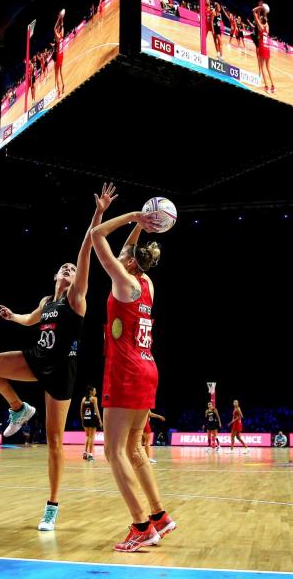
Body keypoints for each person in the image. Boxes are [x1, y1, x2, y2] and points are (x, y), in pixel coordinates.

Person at [0, 183, 117, 531]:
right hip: (37, 357)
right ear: (55, 276)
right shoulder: (46, 302)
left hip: (62, 371)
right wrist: (13, 317)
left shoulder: (76, 299)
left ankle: (52, 506)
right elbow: (31, 319)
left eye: (72, 269)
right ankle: (18, 408)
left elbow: (84, 252)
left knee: (54, 443)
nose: (69, 269)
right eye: (63, 268)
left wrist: (98, 214)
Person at [90, 206, 175, 552]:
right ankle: (160, 516)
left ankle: (141, 526)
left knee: (113, 451)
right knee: (135, 448)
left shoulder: (123, 282)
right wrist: (140, 227)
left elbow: (95, 236)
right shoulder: (147, 283)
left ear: (128, 261)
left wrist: (129, 217)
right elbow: (127, 252)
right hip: (147, 367)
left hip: (125, 371)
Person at [251, 1, 275, 92]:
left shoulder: (260, 27)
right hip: (267, 48)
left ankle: (266, 87)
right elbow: (266, 19)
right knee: (268, 68)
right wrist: (264, 11)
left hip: (262, 48)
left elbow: (253, 11)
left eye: (260, 19)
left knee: (262, 68)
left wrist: (260, 7)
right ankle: (273, 86)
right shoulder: (267, 27)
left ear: (261, 20)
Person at [81, 385, 103, 461]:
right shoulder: (94, 398)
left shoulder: (83, 399)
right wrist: (100, 420)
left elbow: (81, 411)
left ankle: (84, 453)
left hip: (85, 419)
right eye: (94, 390)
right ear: (91, 391)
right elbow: (96, 410)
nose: (95, 392)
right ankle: (90, 455)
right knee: (92, 437)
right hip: (93, 419)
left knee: (87, 436)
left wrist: (82, 419)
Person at [53, 9, 66, 96]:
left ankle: (59, 92)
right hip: (62, 54)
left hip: (58, 56)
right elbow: (62, 26)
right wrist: (61, 19)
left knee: (56, 74)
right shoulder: (61, 34)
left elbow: (54, 28)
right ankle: (63, 86)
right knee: (61, 72)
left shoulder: (57, 36)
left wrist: (59, 18)